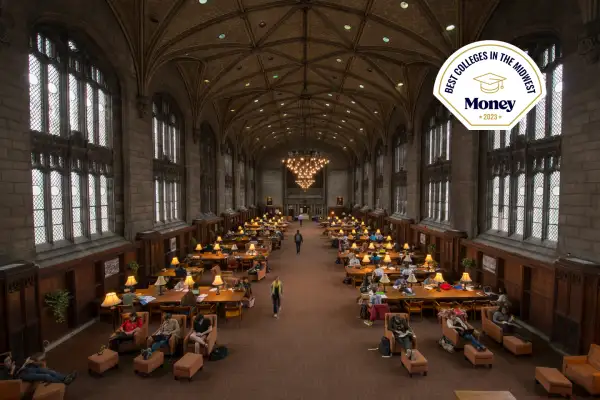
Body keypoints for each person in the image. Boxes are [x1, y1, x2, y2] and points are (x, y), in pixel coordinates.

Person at [2, 353, 76, 385]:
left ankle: (65, 377)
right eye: (6, 361)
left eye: (9, 360)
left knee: (48, 371)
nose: (9, 362)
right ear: (3, 363)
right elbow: (10, 381)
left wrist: (26, 363)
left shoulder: (13, 363)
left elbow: (21, 362)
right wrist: (12, 370)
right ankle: (63, 383)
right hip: (22, 376)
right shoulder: (3, 371)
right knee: (46, 376)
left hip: (26, 369)